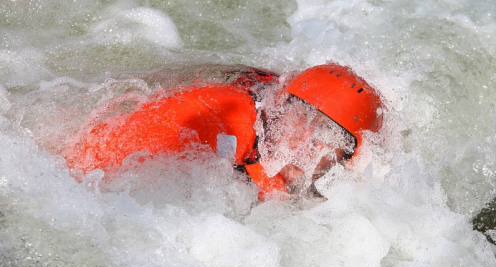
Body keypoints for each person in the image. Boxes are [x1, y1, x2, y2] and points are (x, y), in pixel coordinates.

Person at [63, 64, 384, 200]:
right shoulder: (220, 116)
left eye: (324, 140)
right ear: (281, 106)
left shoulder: (343, 181)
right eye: (301, 119)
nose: (303, 144)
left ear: (349, 155)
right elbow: (82, 164)